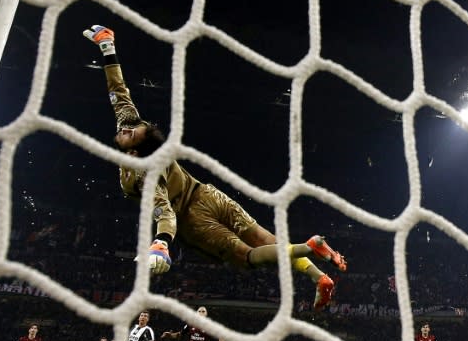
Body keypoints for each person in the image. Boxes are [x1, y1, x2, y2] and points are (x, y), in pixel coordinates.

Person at [83, 25, 348, 311]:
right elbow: (118, 89)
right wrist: (107, 46)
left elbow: (165, 212)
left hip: (194, 218)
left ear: (134, 151)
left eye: (131, 132)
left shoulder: (143, 172)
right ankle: (319, 275)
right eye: (130, 128)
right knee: (267, 239)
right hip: (210, 194)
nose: (126, 128)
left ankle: (310, 246)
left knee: (249, 257)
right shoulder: (130, 123)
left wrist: (160, 244)